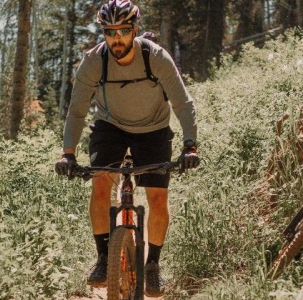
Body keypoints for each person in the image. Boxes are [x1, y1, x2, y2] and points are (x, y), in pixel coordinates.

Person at [55, 0, 199, 297]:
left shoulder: (156, 57)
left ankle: (153, 266)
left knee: (158, 198)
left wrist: (189, 145)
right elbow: (77, 111)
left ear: (134, 30)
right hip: (111, 127)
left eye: (122, 31)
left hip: (154, 129)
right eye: (109, 32)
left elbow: (183, 103)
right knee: (99, 185)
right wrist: (68, 153)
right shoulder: (94, 61)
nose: (116, 38)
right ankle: (104, 257)